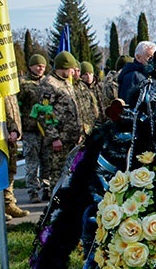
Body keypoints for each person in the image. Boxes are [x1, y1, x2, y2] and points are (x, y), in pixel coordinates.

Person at [38, 51, 85, 196]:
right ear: (63, 67)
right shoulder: (49, 84)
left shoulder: (66, 82)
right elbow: (44, 113)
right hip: (59, 139)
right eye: (71, 68)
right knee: (57, 174)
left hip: (72, 137)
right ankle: (55, 204)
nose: (73, 72)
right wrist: (54, 137)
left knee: (71, 174)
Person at [18, 53, 49, 203]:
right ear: (31, 67)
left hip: (47, 129)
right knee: (32, 162)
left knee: (47, 162)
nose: (40, 68)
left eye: (43, 66)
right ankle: (33, 191)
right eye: (37, 66)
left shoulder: (48, 82)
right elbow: (17, 105)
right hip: (31, 130)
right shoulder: (23, 83)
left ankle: (47, 189)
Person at [118, 41, 156, 105]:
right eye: (149, 57)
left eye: (154, 58)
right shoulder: (132, 77)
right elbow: (127, 104)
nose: (152, 61)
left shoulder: (149, 75)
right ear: (138, 57)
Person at [75, 61, 100, 132]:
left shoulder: (99, 87)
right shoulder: (79, 89)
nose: (88, 76)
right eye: (85, 74)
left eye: (90, 73)